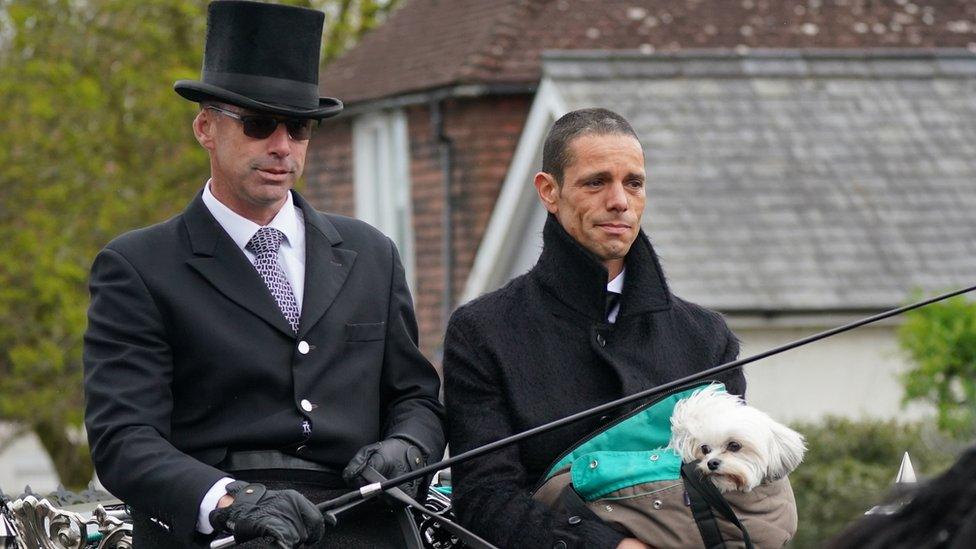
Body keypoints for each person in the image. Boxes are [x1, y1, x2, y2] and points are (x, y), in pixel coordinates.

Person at [83, 2, 444, 547]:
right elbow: (124, 439)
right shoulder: (137, 267)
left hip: (362, 524)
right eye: (257, 125)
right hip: (226, 530)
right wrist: (229, 501)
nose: (281, 146)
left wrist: (406, 449)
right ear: (205, 127)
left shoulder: (372, 254)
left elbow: (416, 398)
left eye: (298, 128)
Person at [443, 108, 746, 549]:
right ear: (549, 191)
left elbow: (733, 480)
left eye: (634, 183)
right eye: (596, 182)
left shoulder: (706, 337)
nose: (619, 201)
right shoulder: (481, 331)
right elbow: (485, 496)